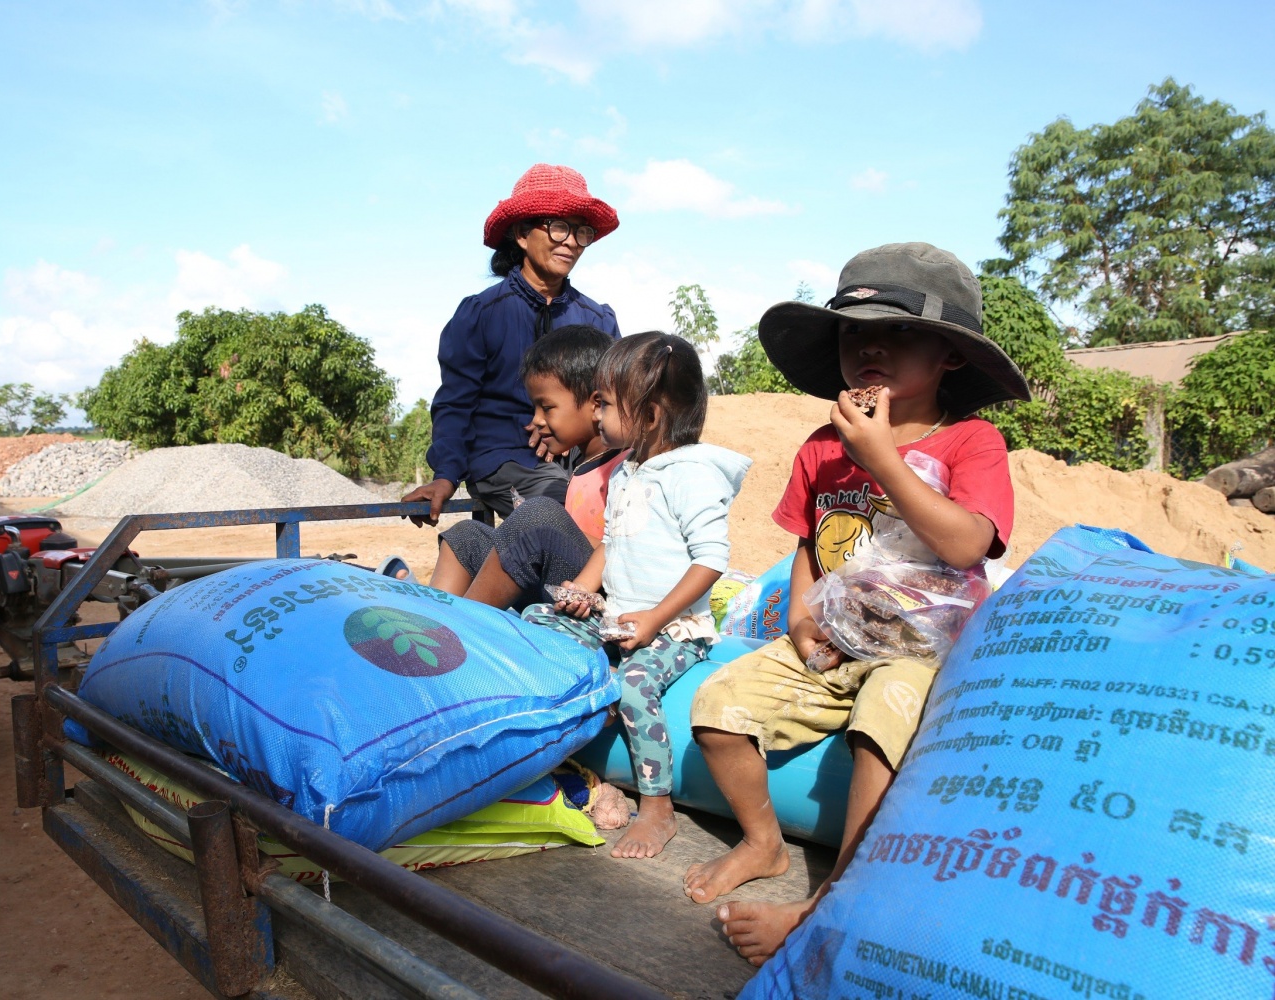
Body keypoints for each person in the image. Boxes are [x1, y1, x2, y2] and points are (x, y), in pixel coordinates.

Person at [679, 243, 1030, 964]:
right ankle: (764, 842)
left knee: (881, 722)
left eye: (898, 331)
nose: (870, 344)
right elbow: (809, 545)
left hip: (920, 652)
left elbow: (967, 545)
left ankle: (835, 900)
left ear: (951, 356)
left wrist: (882, 459)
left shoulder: (972, 443)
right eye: (853, 331)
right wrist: (800, 624)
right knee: (716, 706)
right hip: (835, 640)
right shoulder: (821, 446)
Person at [523, 332, 751, 859]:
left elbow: (711, 559)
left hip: (674, 628)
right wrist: (582, 589)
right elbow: (612, 541)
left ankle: (656, 806)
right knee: (536, 616)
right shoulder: (628, 468)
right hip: (619, 618)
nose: (596, 413)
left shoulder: (692, 474)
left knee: (635, 683)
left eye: (604, 402)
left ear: (648, 415)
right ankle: (559, 737)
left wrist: (656, 617)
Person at [404, 164, 620, 524]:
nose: (571, 242)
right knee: (564, 511)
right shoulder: (481, 314)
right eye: (559, 227)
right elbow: (455, 403)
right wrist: (446, 474)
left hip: (584, 461)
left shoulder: (598, 321)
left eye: (582, 231)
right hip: (503, 458)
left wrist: (568, 431)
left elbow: (617, 400)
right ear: (521, 234)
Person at [431, 324, 626, 609]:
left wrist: (545, 528)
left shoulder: (628, 468)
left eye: (546, 408)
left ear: (596, 405)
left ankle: (461, 629)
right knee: (466, 536)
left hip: (600, 598)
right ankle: (433, 619)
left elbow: (628, 551)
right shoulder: (582, 465)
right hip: (562, 586)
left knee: (539, 515)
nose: (536, 420)